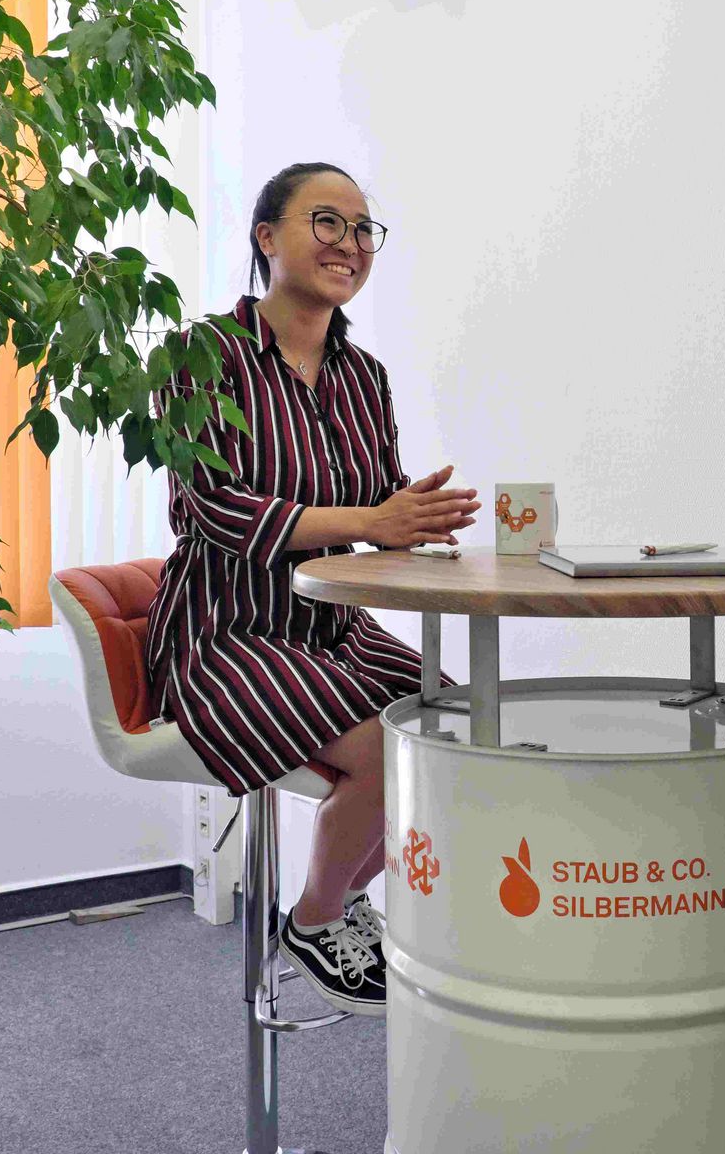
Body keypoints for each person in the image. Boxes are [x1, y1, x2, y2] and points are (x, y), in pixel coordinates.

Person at [145, 162, 481, 1016]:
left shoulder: (364, 375)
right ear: (267, 237)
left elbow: (373, 500)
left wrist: (413, 516)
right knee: (387, 753)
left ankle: (344, 898)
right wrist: (372, 516)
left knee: (463, 731)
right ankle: (317, 916)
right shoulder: (199, 356)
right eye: (327, 222)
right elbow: (211, 507)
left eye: (364, 229)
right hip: (229, 628)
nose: (350, 244)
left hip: (332, 629)